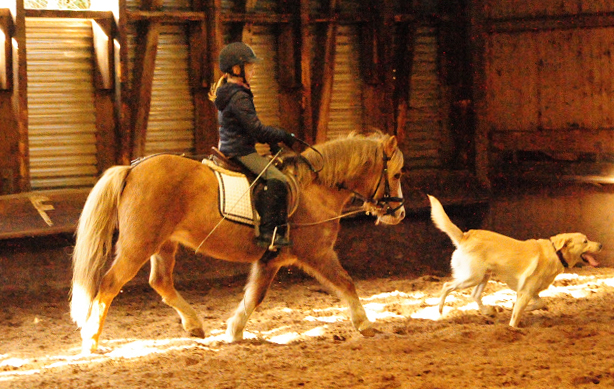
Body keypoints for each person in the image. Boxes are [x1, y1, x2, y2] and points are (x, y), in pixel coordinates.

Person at [209, 42, 296, 249]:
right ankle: (269, 234)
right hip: (240, 151)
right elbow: (256, 130)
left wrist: (272, 142)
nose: (253, 70)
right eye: (250, 66)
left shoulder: (231, 92)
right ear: (237, 70)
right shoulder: (239, 96)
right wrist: (283, 135)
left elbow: (248, 128)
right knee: (279, 178)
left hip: (233, 145)